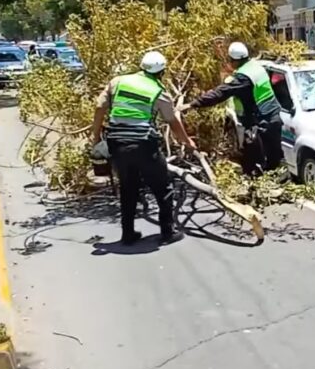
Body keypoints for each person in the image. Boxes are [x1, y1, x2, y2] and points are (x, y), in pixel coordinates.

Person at [90, 51, 197, 246]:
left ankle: (128, 234)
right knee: (162, 186)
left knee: (128, 188)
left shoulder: (118, 81)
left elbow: (99, 106)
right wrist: (188, 142)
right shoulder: (159, 91)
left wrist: (95, 138)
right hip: (144, 145)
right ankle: (167, 232)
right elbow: (172, 121)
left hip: (117, 144)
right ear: (161, 72)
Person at [179, 42, 288, 176]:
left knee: (254, 160)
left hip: (260, 122)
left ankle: (258, 181)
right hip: (273, 116)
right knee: (274, 157)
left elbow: (220, 93)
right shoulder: (255, 66)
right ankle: (275, 179)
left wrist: (193, 104)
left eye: (230, 60)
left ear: (235, 60)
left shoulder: (243, 78)